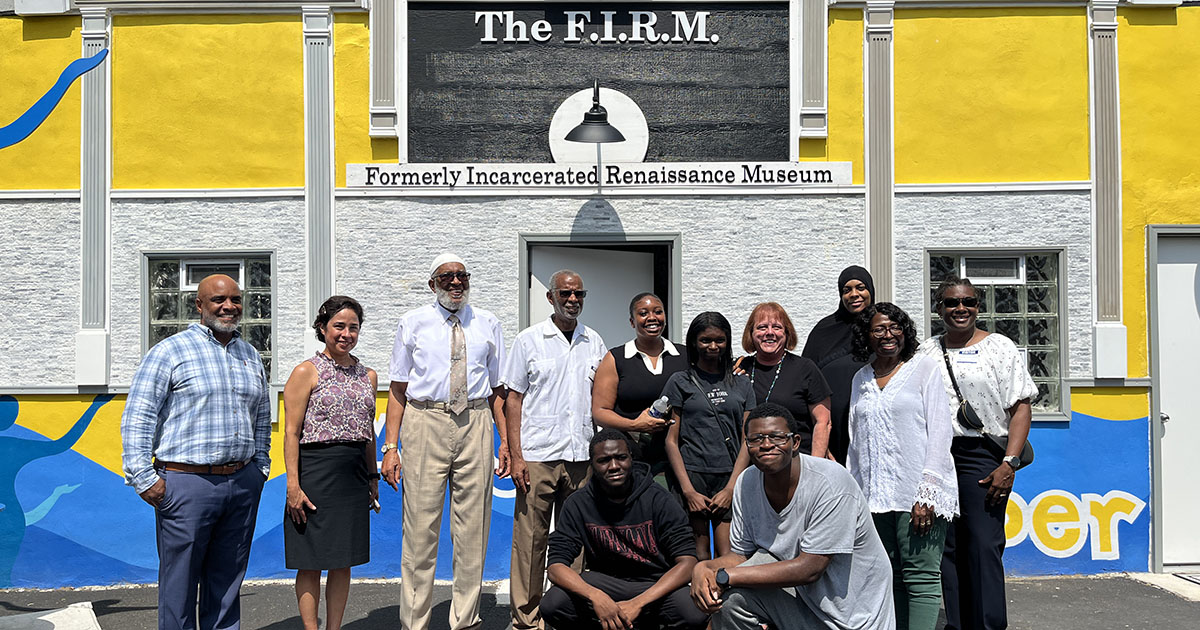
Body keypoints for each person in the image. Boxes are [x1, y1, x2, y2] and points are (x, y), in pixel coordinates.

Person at [120, 273, 271, 630]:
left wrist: (259, 469)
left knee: (228, 581)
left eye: (235, 299)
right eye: (219, 300)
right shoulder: (170, 351)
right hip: (186, 484)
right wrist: (144, 479)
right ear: (199, 305)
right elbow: (139, 415)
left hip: (241, 482)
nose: (229, 306)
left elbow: (262, 416)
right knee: (179, 584)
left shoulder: (250, 354)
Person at [381, 253, 509, 630]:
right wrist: (391, 448)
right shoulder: (413, 323)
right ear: (432, 284)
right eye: (447, 277)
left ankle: (465, 620)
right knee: (420, 530)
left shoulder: (487, 323)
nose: (456, 283)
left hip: (476, 419)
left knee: (473, 529)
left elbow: (499, 388)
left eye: (462, 276)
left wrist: (505, 443)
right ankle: (414, 622)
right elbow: (398, 389)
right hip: (425, 421)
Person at [692, 403, 895, 630]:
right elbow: (741, 557)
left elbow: (810, 569)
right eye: (756, 439)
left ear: (795, 443)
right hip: (803, 604)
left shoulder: (830, 482)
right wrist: (705, 568)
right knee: (729, 602)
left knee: (732, 581)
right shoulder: (746, 483)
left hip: (853, 619)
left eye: (777, 437)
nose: (766, 445)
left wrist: (723, 577)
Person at [917, 277, 1037, 630]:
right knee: (948, 549)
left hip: (982, 456)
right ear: (939, 308)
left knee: (983, 547)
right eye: (952, 303)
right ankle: (958, 624)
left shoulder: (999, 347)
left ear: (977, 307)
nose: (960, 309)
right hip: (938, 455)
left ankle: (987, 625)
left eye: (968, 302)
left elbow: (1020, 406)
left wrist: (1009, 462)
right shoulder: (925, 352)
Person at [502, 269, 608, 630]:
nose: (572, 300)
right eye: (565, 293)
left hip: (581, 457)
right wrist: (516, 455)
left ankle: (565, 613)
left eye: (579, 294)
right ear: (550, 298)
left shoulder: (594, 341)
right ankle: (526, 619)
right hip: (538, 454)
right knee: (530, 541)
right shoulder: (529, 340)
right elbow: (512, 399)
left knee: (575, 541)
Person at [848, 303, 957, 630]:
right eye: (878, 329)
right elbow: (855, 443)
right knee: (889, 574)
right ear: (867, 336)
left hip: (917, 496)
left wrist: (927, 492)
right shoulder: (860, 379)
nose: (887, 335)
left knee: (921, 576)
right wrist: (854, 498)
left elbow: (940, 432)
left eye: (894, 327)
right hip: (875, 499)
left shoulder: (923, 369)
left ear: (904, 332)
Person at [541, 429, 709, 630]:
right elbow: (556, 566)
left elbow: (687, 562)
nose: (613, 466)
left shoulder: (659, 499)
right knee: (554, 603)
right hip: (604, 583)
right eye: (604, 460)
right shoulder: (578, 503)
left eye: (620, 458)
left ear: (631, 458)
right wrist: (595, 596)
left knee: (693, 611)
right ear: (592, 464)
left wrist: (638, 603)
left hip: (653, 583)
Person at [283, 296, 379, 630]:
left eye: (353, 327)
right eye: (339, 326)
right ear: (323, 328)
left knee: (342, 561)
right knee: (310, 561)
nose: (346, 333)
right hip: (315, 474)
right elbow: (291, 433)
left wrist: (372, 477)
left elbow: (368, 433)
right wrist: (293, 486)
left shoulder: (368, 375)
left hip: (352, 476)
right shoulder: (305, 371)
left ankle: (333, 628)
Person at [663, 312, 754, 560]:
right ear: (694, 342)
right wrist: (688, 491)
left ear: (727, 341)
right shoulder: (679, 381)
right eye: (705, 340)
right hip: (693, 475)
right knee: (697, 555)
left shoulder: (742, 384)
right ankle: (698, 600)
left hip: (729, 476)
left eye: (719, 340)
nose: (713, 346)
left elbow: (748, 439)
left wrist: (732, 488)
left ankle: (726, 600)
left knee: (729, 555)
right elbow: (671, 440)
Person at [592, 292, 688, 476]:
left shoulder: (684, 356)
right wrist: (635, 425)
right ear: (632, 321)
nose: (652, 318)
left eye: (658, 312)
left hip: (678, 459)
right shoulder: (616, 358)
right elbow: (600, 412)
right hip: (630, 459)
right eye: (643, 313)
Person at [736, 302, 833, 459]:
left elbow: (823, 423)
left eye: (777, 327)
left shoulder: (805, 369)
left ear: (787, 333)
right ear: (751, 334)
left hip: (797, 462)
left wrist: (816, 465)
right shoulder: (740, 368)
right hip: (750, 464)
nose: (769, 333)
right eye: (761, 327)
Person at [802, 266, 876, 464]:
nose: (854, 295)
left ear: (871, 290)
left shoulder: (882, 327)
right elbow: (805, 381)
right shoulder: (824, 330)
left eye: (860, 287)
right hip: (834, 434)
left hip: (875, 428)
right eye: (846, 290)